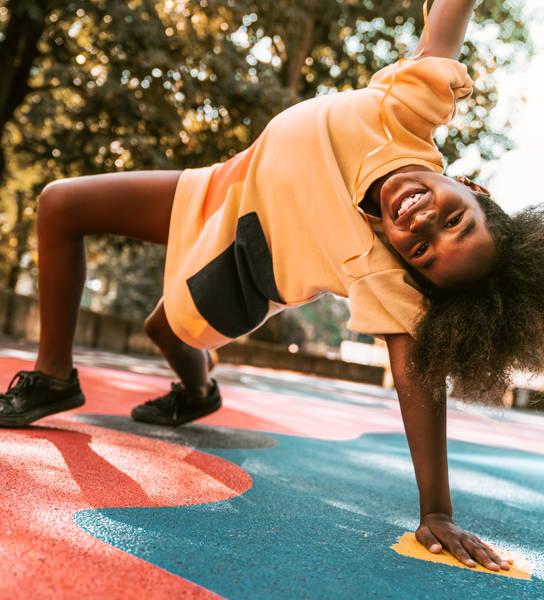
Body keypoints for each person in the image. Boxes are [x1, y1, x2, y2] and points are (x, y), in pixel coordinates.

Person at [2, 0, 539, 572]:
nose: (421, 223)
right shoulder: (409, 110)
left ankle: (197, 391)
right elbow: (448, 21)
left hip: (240, 266)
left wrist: (437, 510)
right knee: (60, 203)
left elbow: (418, 382)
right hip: (219, 186)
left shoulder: (385, 274)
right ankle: (55, 378)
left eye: (423, 251)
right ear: (473, 188)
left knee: (165, 327)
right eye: (454, 220)